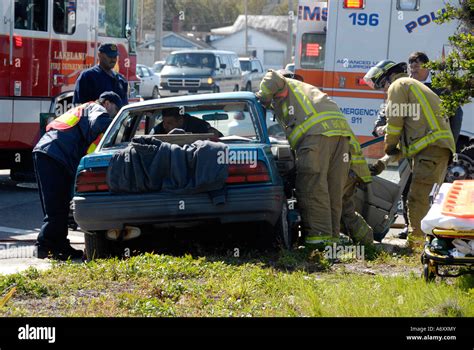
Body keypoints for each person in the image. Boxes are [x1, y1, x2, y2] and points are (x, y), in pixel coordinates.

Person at [256, 69, 367, 247]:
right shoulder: (308, 90)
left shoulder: (285, 83)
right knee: (332, 192)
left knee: (312, 188)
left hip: (316, 138)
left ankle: (319, 244)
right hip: (339, 137)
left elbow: (272, 77)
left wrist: (262, 99)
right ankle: (332, 243)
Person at [364, 60, 455, 248]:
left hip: (431, 150)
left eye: (382, 84)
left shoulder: (399, 85)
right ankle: (430, 244)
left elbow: (394, 123)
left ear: (389, 76)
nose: (383, 89)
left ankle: (416, 247)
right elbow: (407, 143)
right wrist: (383, 162)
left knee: (417, 198)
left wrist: (388, 146)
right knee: (427, 199)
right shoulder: (413, 87)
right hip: (436, 149)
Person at [33, 92, 123, 260]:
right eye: (116, 110)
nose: (115, 114)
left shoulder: (84, 109)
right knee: (57, 207)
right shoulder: (96, 108)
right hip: (55, 154)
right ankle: (45, 245)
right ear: (108, 103)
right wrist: (118, 128)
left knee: (57, 206)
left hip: (49, 152)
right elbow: (100, 123)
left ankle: (56, 246)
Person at [152, 107, 223, 137]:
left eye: (169, 123)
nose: (165, 126)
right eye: (163, 122)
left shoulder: (199, 126)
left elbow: (217, 136)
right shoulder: (159, 130)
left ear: (180, 121)